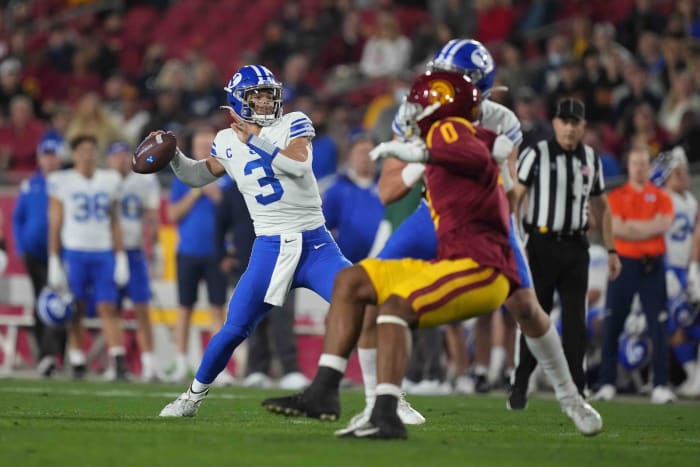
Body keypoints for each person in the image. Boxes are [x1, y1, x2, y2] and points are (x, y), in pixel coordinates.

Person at [262, 70, 603, 439]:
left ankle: (387, 409)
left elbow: (476, 154)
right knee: (353, 280)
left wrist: (421, 153)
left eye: (423, 102)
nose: (414, 109)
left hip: (480, 255)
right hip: (443, 233)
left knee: (506, 307)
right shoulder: (451, 132)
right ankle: (326, 390)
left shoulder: (450, 130)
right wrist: (417, 161)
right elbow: (398, 187)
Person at [158, 65, 351, 417]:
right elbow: (200, 175)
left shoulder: (293, 122)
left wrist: (256, 140)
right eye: (256, 96)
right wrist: (174, 159)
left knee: (363, 302)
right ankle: (191, 397)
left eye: (268, 94)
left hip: (315, 244)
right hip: (269, 247)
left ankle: (390, 400)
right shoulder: (227, 140)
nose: (264, 102)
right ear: (238, 100)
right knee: (234, 328)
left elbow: (299, 166)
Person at [510, 97, 620, 407]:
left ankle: (576, 389)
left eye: (576, 123)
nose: (570, 128)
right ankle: (521, 382)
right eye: (565, 122)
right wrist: (518, 242)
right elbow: (516, 196)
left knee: (575, 322)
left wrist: (611, 250)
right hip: (541, 245)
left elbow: (603, 206)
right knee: (533, 316)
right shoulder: (537, 153)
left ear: (583, 126)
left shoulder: (591, 158)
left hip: (575, 246)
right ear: (555, 123)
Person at [593, 147, 675, 404]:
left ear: (649, 167)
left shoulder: (661, 196)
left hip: (652, 265)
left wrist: (632, 228)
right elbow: (615, 227)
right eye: (635, 163)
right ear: (628, 167)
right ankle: (607, 382)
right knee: (612, 323)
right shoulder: (616, 196)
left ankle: (660, 384)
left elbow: (663, 224)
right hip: (623, 263)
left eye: (643, 163)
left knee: (658, 325)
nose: (639, 168)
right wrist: (645, 229)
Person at [47, 135, 130, 379]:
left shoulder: (110, 179)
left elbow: (115, 220)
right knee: (76, 307)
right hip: (75, 250)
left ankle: (117, 359)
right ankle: (77, 358)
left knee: (109, 306)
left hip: (103, 250)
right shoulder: (61, 181)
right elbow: (55, 222)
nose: (87, 155)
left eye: (92, 150)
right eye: (82, 150)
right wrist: (54, 258)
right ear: (73, 154)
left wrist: (121, 254)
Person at [167, 126, 231, 384]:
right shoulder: (182, 177)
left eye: (209, 146)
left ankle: (220, 367)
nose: (204, 150)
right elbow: (172, 215)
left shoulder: (227, 177)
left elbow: (233, 214)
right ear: (193, 149)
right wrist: (196, 190)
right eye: (201, 146)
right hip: (188, 251)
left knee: (218, 310)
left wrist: (215, 194)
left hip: (217, 253)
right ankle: (181, 361)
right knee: (184, 308)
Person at [106, 141, 161, 382]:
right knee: (110, 308)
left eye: (123, 155)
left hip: (135, 251)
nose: (119, 160)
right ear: (109, 159)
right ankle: (115, 363)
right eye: (115, 155)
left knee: (141, 308)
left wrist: (154, 248)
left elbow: (152, 217)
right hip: (107, 252)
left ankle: (149, 364)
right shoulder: (103, 180)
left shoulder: (145, 180)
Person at [12, 137, 64, 376]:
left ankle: (54, 354)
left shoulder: (66, 183)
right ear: (40, 159)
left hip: (62, 254)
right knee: (43, 302)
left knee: (60, 303)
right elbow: (17, 219)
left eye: (53, 156)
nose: (50, 160)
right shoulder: (29, 185)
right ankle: (46, 355)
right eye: (46, 155)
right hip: (35, 254)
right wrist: (22, 248)